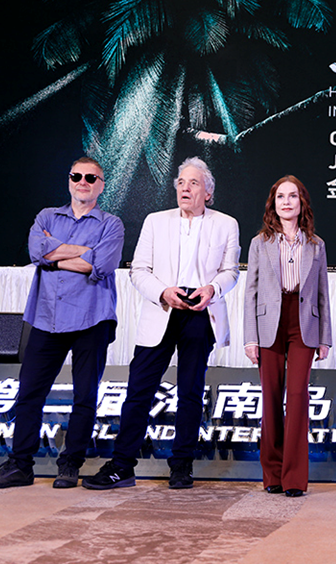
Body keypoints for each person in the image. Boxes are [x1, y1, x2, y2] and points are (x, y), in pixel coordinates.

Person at [82, 156, 240, 490]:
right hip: (161, 308)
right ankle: (122, 465)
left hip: (200, 311)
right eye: (181, 182)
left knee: (190, 392)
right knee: (139, 390)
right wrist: (163, 293)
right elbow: (139, 270)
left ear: (208, 193)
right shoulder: (156, 221)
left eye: (194, 183)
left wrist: (212, 288)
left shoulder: (226, 224)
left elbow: (231, 271)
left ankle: (182, 465)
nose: (185, 188)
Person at [0, 157, 124, 489]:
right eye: (76, 176)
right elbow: (36, 253)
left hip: (92, 318)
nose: (82, 182)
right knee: (29, 393)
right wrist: (82, 253)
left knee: (85, 396)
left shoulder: (111, 224)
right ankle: (20, 465)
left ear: (101, 185)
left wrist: (54, 254)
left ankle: (70, 464)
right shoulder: (46, 216)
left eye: (91, 177)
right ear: (69, 180)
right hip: (47, 317)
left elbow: (102, 265)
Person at [244, 176, 332, 498]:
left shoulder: (316, 244)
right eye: (280, 196)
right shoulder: (260, 243)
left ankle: (294, 478)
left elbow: (322, 294)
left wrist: (325, 338)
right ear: (273, 203)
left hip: (303, 323)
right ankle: (273, 473)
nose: (286, 202)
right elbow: (250, 293)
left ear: (302, 202)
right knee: (270, 397)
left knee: (297, 397)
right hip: (269, 322)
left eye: (292, 196)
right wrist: (250, 338)